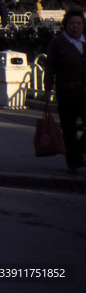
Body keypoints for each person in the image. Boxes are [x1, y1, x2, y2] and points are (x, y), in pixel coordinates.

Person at [44, 9, 86, 172]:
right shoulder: (58, 43)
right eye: (71, 23)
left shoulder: (84, 42)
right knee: (69, 129)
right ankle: (73, 163)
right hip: (66, 92)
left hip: (84, 92)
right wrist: (47, 89)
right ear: (66, 25)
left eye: (79, 23)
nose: (75, 27)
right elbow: (50, 67)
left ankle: (78, 150)